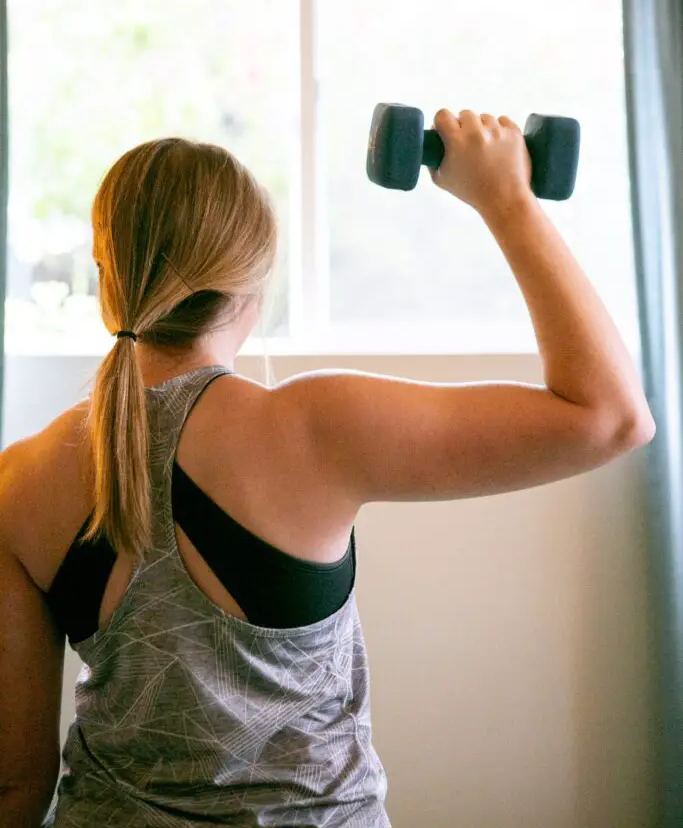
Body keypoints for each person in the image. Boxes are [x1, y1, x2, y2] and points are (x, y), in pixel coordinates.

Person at [0, 110, 655, 827]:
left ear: (107, 274)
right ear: (251, 282)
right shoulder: (310, 429)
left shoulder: (20, 481)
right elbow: (611, 417)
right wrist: (506, 201)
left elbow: (15, 787)